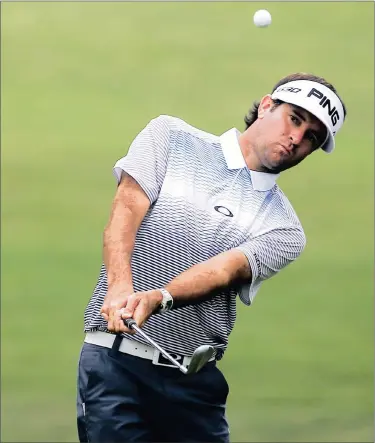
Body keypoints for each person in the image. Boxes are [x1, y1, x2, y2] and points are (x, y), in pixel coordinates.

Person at [77, 72, 347, 442]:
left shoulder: (285, 228)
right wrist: (119, 285)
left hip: (193, 387)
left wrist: (159, 297)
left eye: (311, 138)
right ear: (267, 105)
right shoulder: (170, 137)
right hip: (116, 367)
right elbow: (126, 206)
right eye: (295, 120)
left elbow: (223, 270)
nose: (296, 139)